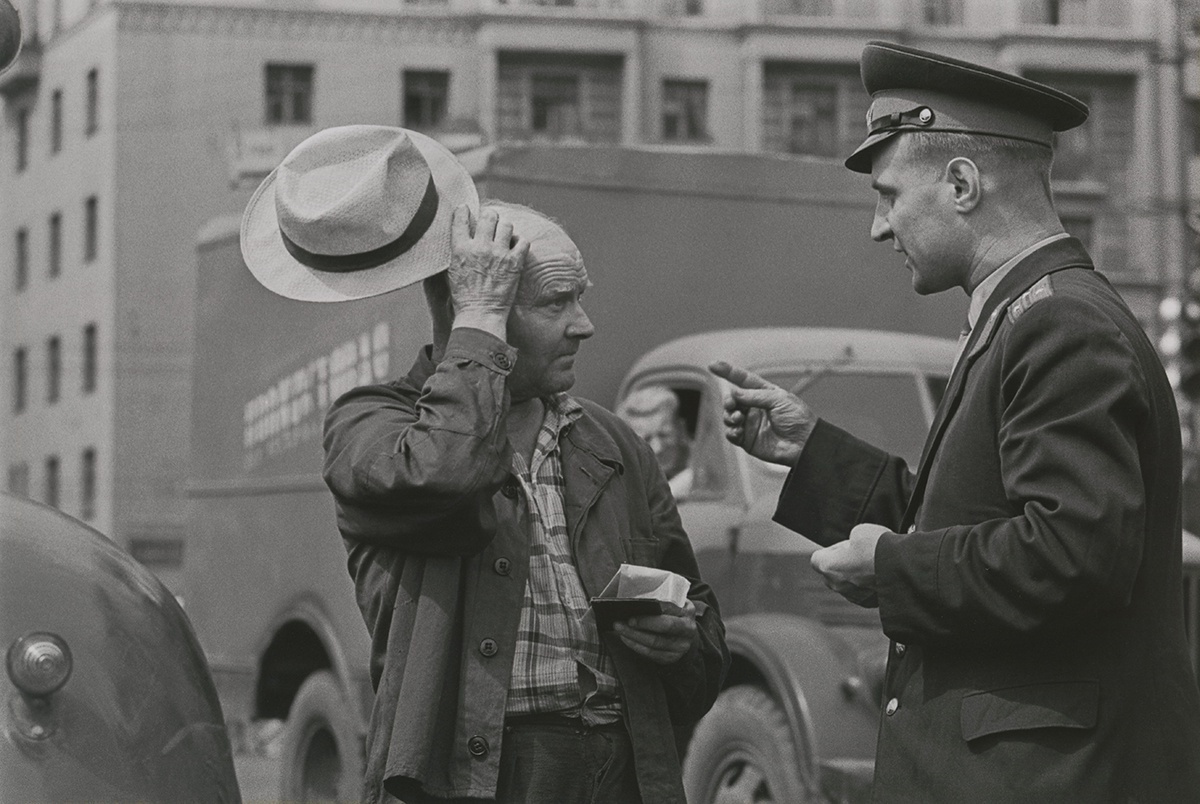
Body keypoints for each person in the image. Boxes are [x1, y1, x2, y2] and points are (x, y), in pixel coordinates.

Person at [711, 40, 1200, 801]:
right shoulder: (1026, 315)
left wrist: (891, 571)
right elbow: (965, 525)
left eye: (890, 195)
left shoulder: (1058, 323)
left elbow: (1073, 556)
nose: (880, 227)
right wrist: (809, 450)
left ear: (963, 184)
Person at [240, 125, 727, 803]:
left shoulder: (613, 443)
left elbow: (699, 618)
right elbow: (446, 472)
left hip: (618, 771)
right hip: (470, 781)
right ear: (475, 307)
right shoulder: (370, 423)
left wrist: (686, 641)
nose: (584, 324)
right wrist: (478, 319)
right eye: (557, 301)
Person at [616, 386, 694, 499]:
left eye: (664, 435)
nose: (658, 448)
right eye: (646, 440)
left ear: (681, 430)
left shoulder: (705, 461)